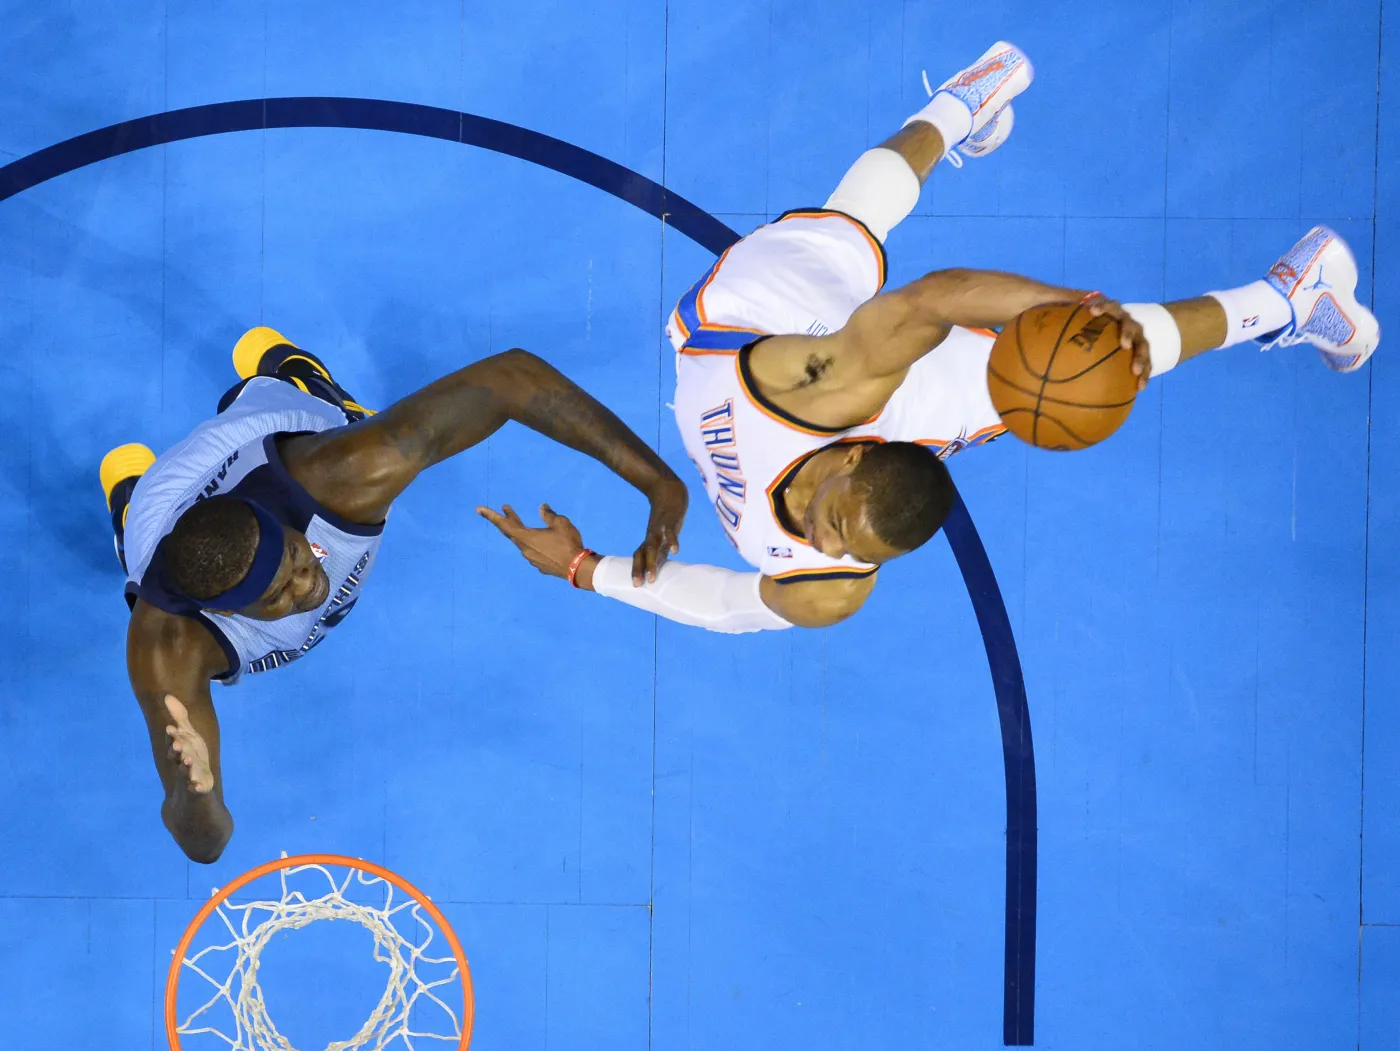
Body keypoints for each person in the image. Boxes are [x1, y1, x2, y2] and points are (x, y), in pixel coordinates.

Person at [480, 40, 1380, 633]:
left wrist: (586, 569)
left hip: (754, 370)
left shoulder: (834, 582)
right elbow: (934, 298)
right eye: (840, 524)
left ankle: (1287, 292)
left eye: (849, 548)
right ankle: (965, 105)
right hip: (753, 318)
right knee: (896, 256)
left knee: (1071, 368)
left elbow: (724, 604)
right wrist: (1072, 304)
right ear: (855, 454)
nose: (829, 542)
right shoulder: (834, 382)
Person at [101, 328, 687, 861]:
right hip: (162, 509)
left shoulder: (346, 474)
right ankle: (129, 499)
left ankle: (292, 370)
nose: (309, 583)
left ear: (283, 525)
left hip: (270, 421)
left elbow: (512, 376)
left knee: (326, 405)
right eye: (279, 594)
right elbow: (206, 842)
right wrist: (197, 794)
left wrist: (660, 485)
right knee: (139, 542)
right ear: (225, 611)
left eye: (298, 557)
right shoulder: (168, 647)